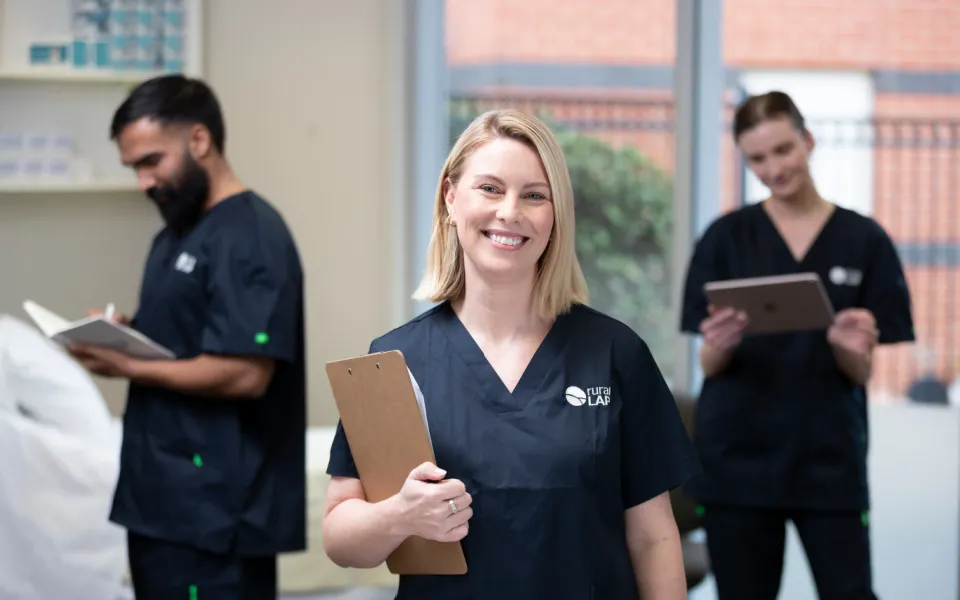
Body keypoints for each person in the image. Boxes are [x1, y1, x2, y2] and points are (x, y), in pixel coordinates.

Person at [322, 108, 700, 599]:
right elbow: (341, 539)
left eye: (535, 196)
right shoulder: (394, 359)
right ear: (450, 198)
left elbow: (653, 538)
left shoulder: (615, 354)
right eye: (490, 188)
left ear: (556, 215)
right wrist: (400, 514)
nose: (510, 212)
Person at [68, 74, 307, 600]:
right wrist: (125, 334)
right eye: (134, 168)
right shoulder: (175, 233)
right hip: (163, 504)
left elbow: (246, 372)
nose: (143, 182)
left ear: (199, 141)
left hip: (216, 515)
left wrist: (125, 365)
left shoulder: (251, 236)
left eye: (152, 161)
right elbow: (189, 336)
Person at [679, 91, 915, 600]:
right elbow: (709, 361)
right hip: (737, 461)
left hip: (828, 460)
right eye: (757, 159)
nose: (773, 168)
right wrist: (719, 342)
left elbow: (860, 372)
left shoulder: (864, 240)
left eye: (783, 150)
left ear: (808, 141)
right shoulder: (726, 238)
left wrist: (849, 346)